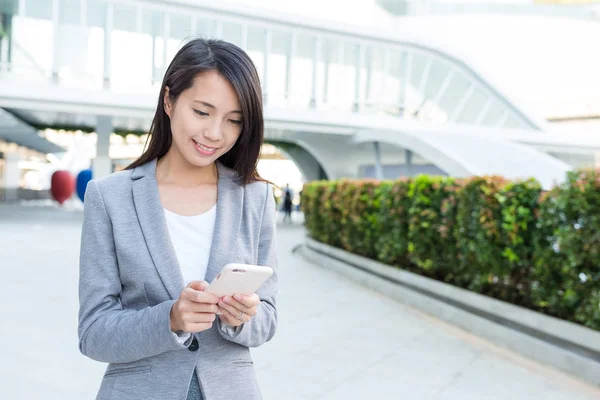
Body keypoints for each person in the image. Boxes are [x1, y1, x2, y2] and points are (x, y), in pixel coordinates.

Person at [77, 38, 278, 400]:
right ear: (169, 100)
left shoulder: (255, 198)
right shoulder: (110, 197)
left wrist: (242, 316)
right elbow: (93, 332)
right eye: (202, 112)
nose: (215, 134)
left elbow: (268, 320)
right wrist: (170, 318)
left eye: (234, 121)